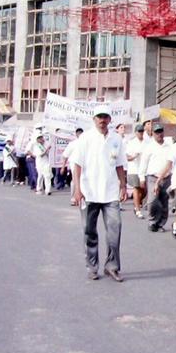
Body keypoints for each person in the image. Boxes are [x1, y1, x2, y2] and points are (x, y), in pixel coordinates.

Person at [71, 108, 128, 282]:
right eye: (99, 117)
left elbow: (120, 164)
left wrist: (123, 185)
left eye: (105, 117)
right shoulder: (85, 138)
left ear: (110, 119)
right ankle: (92, 266)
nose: (102, 120)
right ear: (94, 119)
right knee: (89, 232)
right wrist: (77, 189)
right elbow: (77, 165)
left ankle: (112, 266)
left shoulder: (116, 139)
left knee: (114, 230)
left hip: (110, 192)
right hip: (89, 192)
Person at [143, 124, 176, 232]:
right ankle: (152, 221)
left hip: (166, 177)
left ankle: (160, 223)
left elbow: (172, 162)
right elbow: (144, 162)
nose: (159, 134)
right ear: (153, 133)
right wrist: (141, 177)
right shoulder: (149, 147)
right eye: (157, 132)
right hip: (153, 177)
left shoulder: (169, 146)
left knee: (164, 201)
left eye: (161, 131)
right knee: (152, 201)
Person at [125, 122, 148, 218]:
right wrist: (134, 156)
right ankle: (138, 210)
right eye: (139, 131)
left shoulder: (147, 142)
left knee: (144, 190)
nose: (141, 133)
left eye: (142, 131)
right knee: (136, 188)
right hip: (134, 169)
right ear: (135, 132)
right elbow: (127, 157)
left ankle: (137, 203)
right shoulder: (131, 143)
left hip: (144, 169)